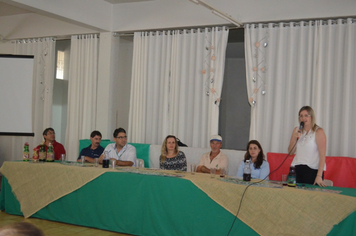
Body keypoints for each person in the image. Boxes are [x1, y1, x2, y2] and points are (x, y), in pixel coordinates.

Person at [288, 106, 326, 187]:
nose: (303, 118)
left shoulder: (318, 131)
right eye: (301, 116)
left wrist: (319, 176)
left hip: (312, 170)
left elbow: (322, 156)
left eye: (306, 115)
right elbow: (290, 152)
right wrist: (295, 137)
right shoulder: (296, 130)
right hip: (296, 169)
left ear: (311, 117)